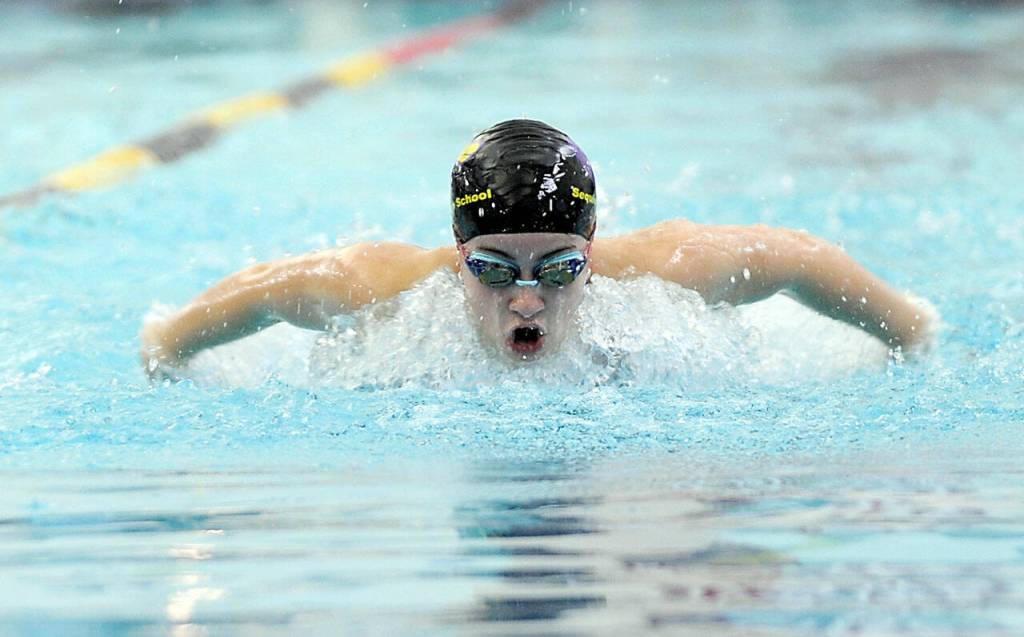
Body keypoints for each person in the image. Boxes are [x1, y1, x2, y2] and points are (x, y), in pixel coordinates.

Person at [140, 119, 932, 377]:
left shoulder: (666, 271)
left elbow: (796, 255)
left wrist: (909, 332)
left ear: (593, 245)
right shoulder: (374, 287)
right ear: (457, 253)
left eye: (559, 269)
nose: (527, 298)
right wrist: (166, 350)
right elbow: (259, 288)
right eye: (492, 269)